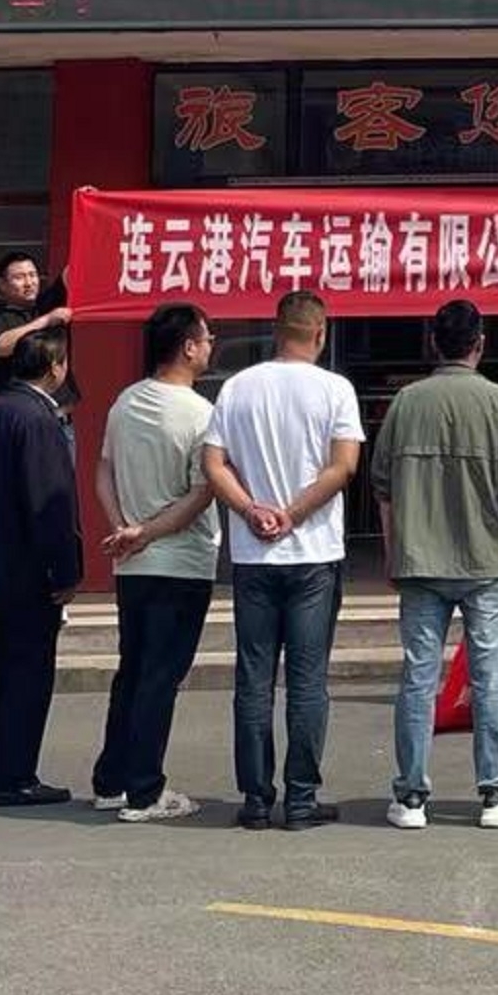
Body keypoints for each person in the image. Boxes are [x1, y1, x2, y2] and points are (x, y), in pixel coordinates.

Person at [371, 297, 498, 832]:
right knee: (490, 678)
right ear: (480, 343)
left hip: (420, 558)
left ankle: (411, 796)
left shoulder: (406, 403)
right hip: (485, 559)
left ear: (433, 343)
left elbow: (383, 487)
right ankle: (497, 792)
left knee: (419, 676)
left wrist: (393, 551)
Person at [202, 290, 364, 831]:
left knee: (253, 678)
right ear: (320, 333)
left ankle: (255, 798)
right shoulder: (335, 389)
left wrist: (251, 509)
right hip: (313, 553)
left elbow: (213, 464)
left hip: (254, 554)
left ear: (276, 330)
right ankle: (300, 798)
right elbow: (343, 467)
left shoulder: (237, 387)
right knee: (307, 680)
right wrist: (293, 514)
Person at [87, 302, 218, 824]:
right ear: (188, 347)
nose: (210, 346)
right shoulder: (200, 413)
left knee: (134, 672)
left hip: (134, 564)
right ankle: (144, 791)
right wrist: (146, 533)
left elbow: (103, 471)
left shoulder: (125, 402)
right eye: (206, 338)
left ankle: (112, 780)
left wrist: (124, 528)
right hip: (179, 563)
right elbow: (201, 493)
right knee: (160, 677)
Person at [0, 326, 79, 808]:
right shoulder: (37, 419)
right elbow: (50, 503)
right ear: (54, 367)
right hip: (29, 567)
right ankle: (15, 776)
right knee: (28, 672)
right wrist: (64, 569)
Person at [0, 252, 73, 403]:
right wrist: (46, 320)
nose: (29, 283)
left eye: (32, 275)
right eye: (19, 277)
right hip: (17, 404)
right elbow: (0, 347)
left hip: (58, 408)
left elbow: (72, 273)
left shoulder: (46, 303)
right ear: (3, 285)